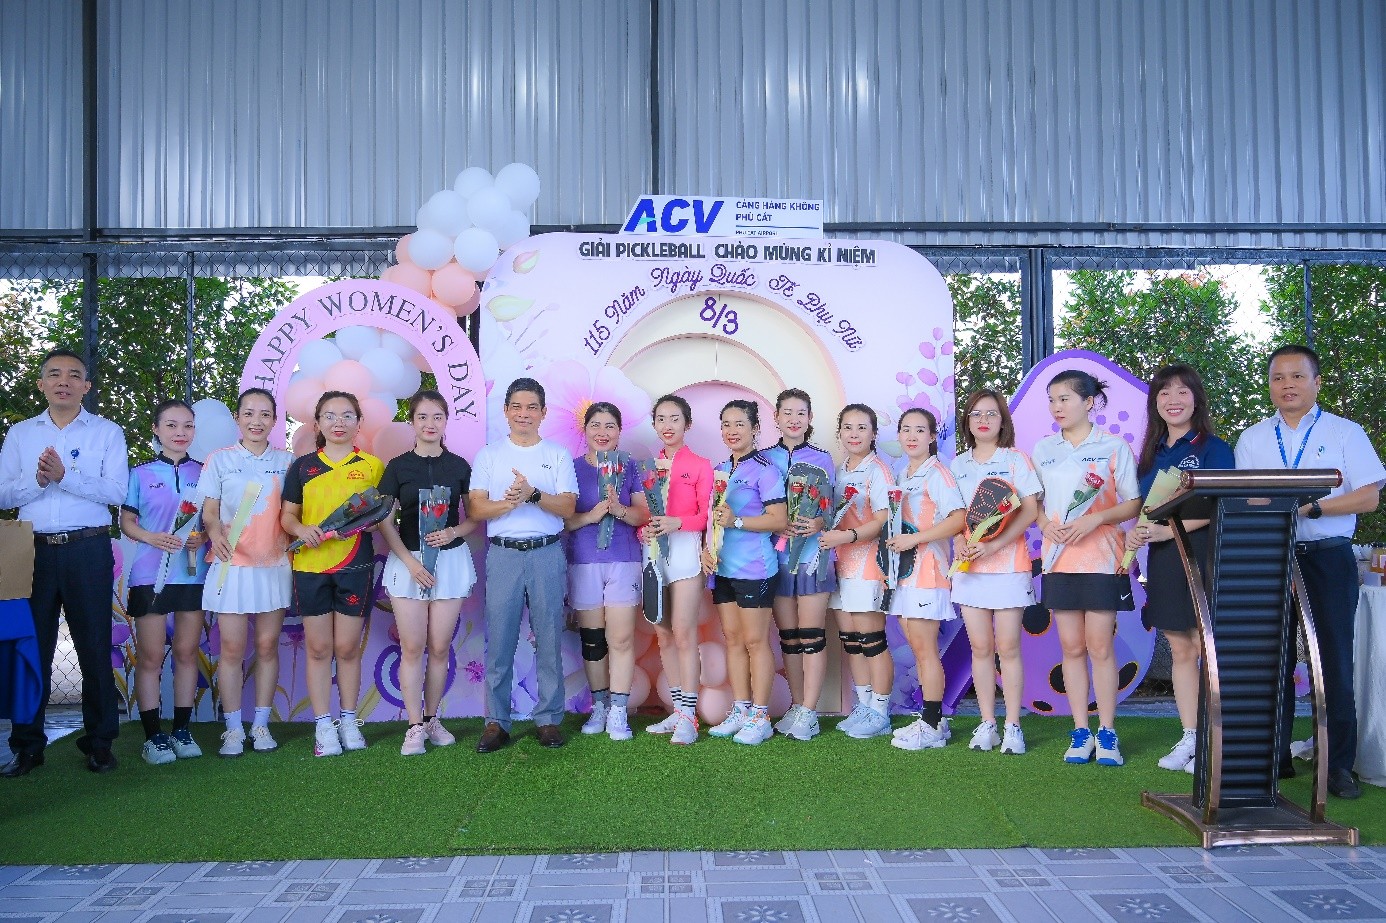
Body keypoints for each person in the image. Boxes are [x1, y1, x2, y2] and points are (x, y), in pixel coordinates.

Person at [1235, 344, 1384, 800]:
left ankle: (1337, 766)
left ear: (1316, 382)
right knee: (1272, 659)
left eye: (1297, 376)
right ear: (1269, 385)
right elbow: (1244, 499)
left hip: (1328, 556)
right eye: (1278, 377)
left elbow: (1368, 497)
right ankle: (1274, 758)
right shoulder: (1253, 438)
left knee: (1334, 660)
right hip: (1273, 554)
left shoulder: (1345, 432)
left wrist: (1313, 507)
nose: (1288, 385)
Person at [0, 348, 128, 777]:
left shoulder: (107, 432)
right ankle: (27, 747)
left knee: (94, 647)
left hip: (87, 548)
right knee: (29, 649)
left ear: (86, 386)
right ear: (41, 384)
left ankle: (100, 743)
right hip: (28, 549)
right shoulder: (21, 434)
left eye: (74, 375)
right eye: (54, 374)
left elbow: (116, 492)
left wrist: (65, 477)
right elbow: (3, 493)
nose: (64, 381)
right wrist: (37, 481)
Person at [1125, 366, 1234, 774]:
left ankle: (1215, 739)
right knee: (1180, 648)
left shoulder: (1214, 448)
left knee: (1208, 647)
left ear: (1196, 399)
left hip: (1204, 554)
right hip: (1165, 559)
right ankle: (1190, 736)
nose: (1173, 399)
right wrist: (1139, 534)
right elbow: (1144, 508)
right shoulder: (1150, 453)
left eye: (1182, 391)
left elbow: (1220, 505)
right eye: (1164, 392)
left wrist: (1166, 531)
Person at [1033, 370, 1142, 767]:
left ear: (1089, 402)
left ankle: (1107, 731)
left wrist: (1095, 519)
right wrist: (1044, 525)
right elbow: (1035, 504)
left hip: (1102, 558)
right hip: (1058, 560)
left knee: (1099, 646)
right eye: (1051, 400)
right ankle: (1080, 730)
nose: (1056, 407)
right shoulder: (1043, 449)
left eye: (1064, 398)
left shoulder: (1113, 446)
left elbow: (1133, 503)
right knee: (1072, 647)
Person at [469, 378, 578, 753]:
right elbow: (476, 507)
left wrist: (533, 494)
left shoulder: (558, 454)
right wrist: (510, 503)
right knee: (500, 642)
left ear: (543, 412)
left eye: (532, 407)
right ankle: (496, 722)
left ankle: (548, 719)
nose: (524, 414)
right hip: (503, 555)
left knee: (548, 639)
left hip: (546, 552)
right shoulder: (489, 455)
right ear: (505, 411)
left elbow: (567, 507)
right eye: (516, 406)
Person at [281, 391, 384, 757]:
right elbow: (287, 516)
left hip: (354, 566)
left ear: (358, 423)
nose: (338, 422)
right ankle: (323, 725)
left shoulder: (372, 466)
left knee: (347, 648)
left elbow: (380, 517)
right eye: (329, 415)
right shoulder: (302, 467)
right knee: (319, 648)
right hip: (310, 568)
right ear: (317, 423)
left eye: (346, 415)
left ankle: (349, 721)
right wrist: (300, 529)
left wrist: (362, 526)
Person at [377, 390, 478, 756]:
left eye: (437, 417)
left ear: (446, 421)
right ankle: (414, 726)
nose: (430, 424)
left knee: (439, 647)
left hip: (450, 562)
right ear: (412, 422)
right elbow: (384, 521)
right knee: (412, 647)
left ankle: (433, 719)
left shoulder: (459, 466)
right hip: (409, 563)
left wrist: (453, 532)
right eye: (422, 417)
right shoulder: (397, 467)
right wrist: (410, 562)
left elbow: (474, 517)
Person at [200, 387, 293, 758]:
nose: (257, 421)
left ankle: (261, 725)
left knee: (268, 646)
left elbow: (294, 513)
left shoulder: (287, 462)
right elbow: (209, 512)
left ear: (274, 421)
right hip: (232, 566)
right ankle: (234, 729)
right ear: (237, 418)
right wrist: (214, 534)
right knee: (232, 649)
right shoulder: (219, 460)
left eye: (265, 414)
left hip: (274, 564)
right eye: (249, 414)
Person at [119, 399, 210, 765]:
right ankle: (153, 737)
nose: (180, 433)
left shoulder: (205, 472)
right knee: (152, 656)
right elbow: (127, 522)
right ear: (156, 430)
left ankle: (181, 731)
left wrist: (201, 538)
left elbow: (211, 522)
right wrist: (151, 537)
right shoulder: (140, 473)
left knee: (187, 652)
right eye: (171, 425)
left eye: (187, 426)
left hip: (192, 573)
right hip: (149, 575)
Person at [949, 389, 1041, 756]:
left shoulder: (1016, 459)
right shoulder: (957, 465)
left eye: (991, 413)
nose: (983, 420)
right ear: (967, 422)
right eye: (975, 414)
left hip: (1009, 568)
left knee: (1008, 646)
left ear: (1003, 421)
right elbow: (954, 516)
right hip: (969, 569)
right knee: (981, 647)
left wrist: (994, 545)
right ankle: (987, 723)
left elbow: (1030, 510)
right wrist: (959, 540)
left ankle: (1013, 725)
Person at [702, 400, 788, 745]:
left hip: (755, 568)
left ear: (755, 429)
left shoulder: (766, 470)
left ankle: (760, 716)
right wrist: (707, 550)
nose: (732, 431)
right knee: (733, 640)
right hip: (722, 568)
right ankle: (740, 709)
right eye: (726, 424)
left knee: (755, 641)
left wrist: (737, 521)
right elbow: (712, 520)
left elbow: (778, 520)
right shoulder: (720, 470)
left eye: (739, 424)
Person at [563, 402, 648, 741]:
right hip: (583, 561)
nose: (602, 432)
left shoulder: (630, 466)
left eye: (610, 425)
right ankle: (599, 705)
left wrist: (619, 509)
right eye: (595, 425)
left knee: (621, 638)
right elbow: (563, 522)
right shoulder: (570, 468)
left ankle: (618, 710)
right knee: (593, 639)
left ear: (619, 432)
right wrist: (591, 516)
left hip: (624, 560)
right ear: (584, 430)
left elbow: (643, 514)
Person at [886, 409, 967, 750]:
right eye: (906, 429)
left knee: (925, 650)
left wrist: (915, 539)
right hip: (905, 573)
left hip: (928, 571)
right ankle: (932, 721)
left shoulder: (938, 473)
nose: (912, 436)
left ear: (932, 437)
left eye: (920, 430)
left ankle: (932, 724)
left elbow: (958, 519)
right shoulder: (901, 473)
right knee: (919, 650)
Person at [819, 404, 896, 740]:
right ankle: (864, 706)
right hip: (839, 564)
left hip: (867, 564)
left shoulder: (878, 471)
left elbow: (883, 520)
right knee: (851, 640)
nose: (854, 434)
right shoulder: (838, 471)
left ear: (873, 434)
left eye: (862, 428)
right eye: (848, 427)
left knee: (872, 640)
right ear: (839, 433)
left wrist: (847, 536)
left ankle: (880, 711)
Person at [764, 389, 836, 741]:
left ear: (810, 419)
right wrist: (775, 525)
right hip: (774, 559)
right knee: (789, 637)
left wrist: (820, 521)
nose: (794, 419)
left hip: (813, 557)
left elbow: (832, 507)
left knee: (811, 635)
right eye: (787, 412)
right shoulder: (763, 460)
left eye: (801, 413)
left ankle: (810, 711)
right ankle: (796, 705)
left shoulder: (823, 459)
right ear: (776, 417)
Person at [643, 395, 713, 745]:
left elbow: (706, 516)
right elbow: (642, 515)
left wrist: (677, 522)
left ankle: (689, 716)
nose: (667, 425)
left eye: (675, 418)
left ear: (687, 424)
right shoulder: (647, 468)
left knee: (684, 633)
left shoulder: (700, 465)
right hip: (653, 555)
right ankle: (677, 710)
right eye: (661, 419)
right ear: (654, 424)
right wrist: (645, 531)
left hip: (686, 554)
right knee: (664, 634)